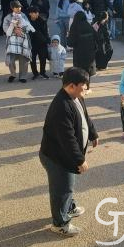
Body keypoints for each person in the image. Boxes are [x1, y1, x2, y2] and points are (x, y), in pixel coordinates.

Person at [39, 67, 99, 237]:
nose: (86, 88)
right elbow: (67, 138)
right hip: (57, 157)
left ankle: (69, 208)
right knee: (62, 189)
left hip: (66, 155)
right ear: (71, 86)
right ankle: (60, 224)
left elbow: (85, 117)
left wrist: (93, 134)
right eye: (83, 85)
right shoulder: (62, 106)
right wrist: (80, 160)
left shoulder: (77, 97)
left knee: (68, 185)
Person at [3, 0, 35, 83]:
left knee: (24, 58)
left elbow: (28, 27)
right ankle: (13, 74)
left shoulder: (23, 15)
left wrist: (22, 29)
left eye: (19, 7)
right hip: (12, 41)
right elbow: (5, 29)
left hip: (23, 40)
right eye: (16, 7)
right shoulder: (8, 17)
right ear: (12, 8)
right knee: (11, 60)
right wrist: (14, 29)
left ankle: (23, 76)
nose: (19, 8)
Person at [67, 11, 98, 89]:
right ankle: (87, 86)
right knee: (88, 70)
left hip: (79, 54)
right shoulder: (89, 26)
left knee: (79, 71)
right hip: (90, 53)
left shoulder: (74, 27)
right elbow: (96, 37)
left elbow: (70, 43)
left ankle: (79, 87)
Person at [28, 6, 50, 80]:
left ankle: (42, 72)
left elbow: (46, 32)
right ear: (30, 14)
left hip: (42, 43)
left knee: (43, 58)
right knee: (32, 59)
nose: (37, 14)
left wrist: (47, 40)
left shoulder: (42, 21)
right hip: (31, 43)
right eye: (35, 12)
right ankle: (35, 73)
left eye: (37, 12)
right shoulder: (27, 22)